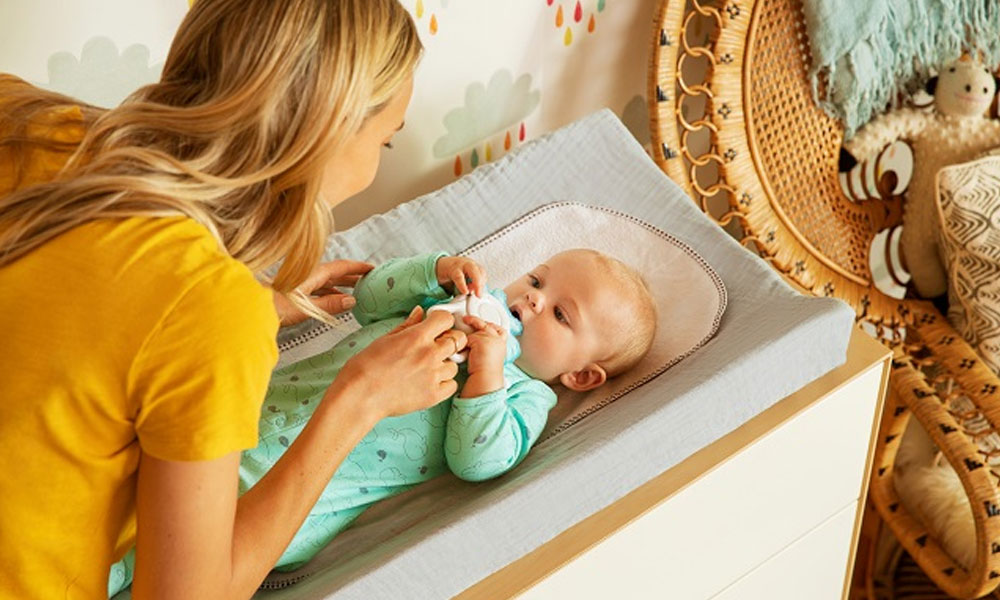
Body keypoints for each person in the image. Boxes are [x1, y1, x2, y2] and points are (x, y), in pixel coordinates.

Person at [0, 2, 473, 598]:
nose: (380, 161)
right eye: (387, 141)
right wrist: (358, 400)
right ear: (324, 135)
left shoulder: (20, 114)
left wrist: (233, 311)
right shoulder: (210, 312)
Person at [108, 248, 658, 593]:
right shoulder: (455, 300)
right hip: (230, 418)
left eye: (561, 315)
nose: (532, 302)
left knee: (150, 559)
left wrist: (486, 373)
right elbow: (368, 298)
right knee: (126, 500)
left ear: (580, 377)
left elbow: (478, 460)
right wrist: (434, 271)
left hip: (276, 500)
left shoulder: (522, 396)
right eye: (536, 281)